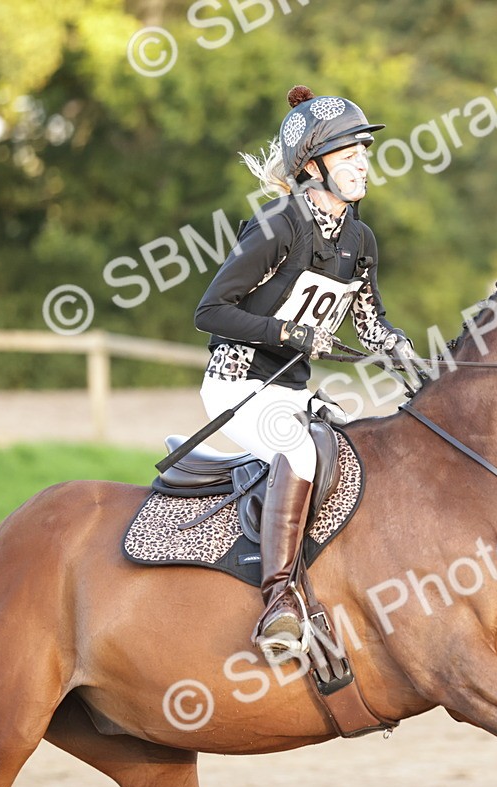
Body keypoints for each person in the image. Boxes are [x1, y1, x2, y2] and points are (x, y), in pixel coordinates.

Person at [195, 85, 421, 663]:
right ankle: (278, 602)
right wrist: (291, 335)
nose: (363, 165)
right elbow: (210, 311)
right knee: (298, 455)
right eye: (349, 156)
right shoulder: (277, 227)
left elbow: (370, 325)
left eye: (363, 154)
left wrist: (406, 353)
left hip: (291, 393)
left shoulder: (360, 240)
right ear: (313, 167)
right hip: (238, 382)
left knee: (353, 452)